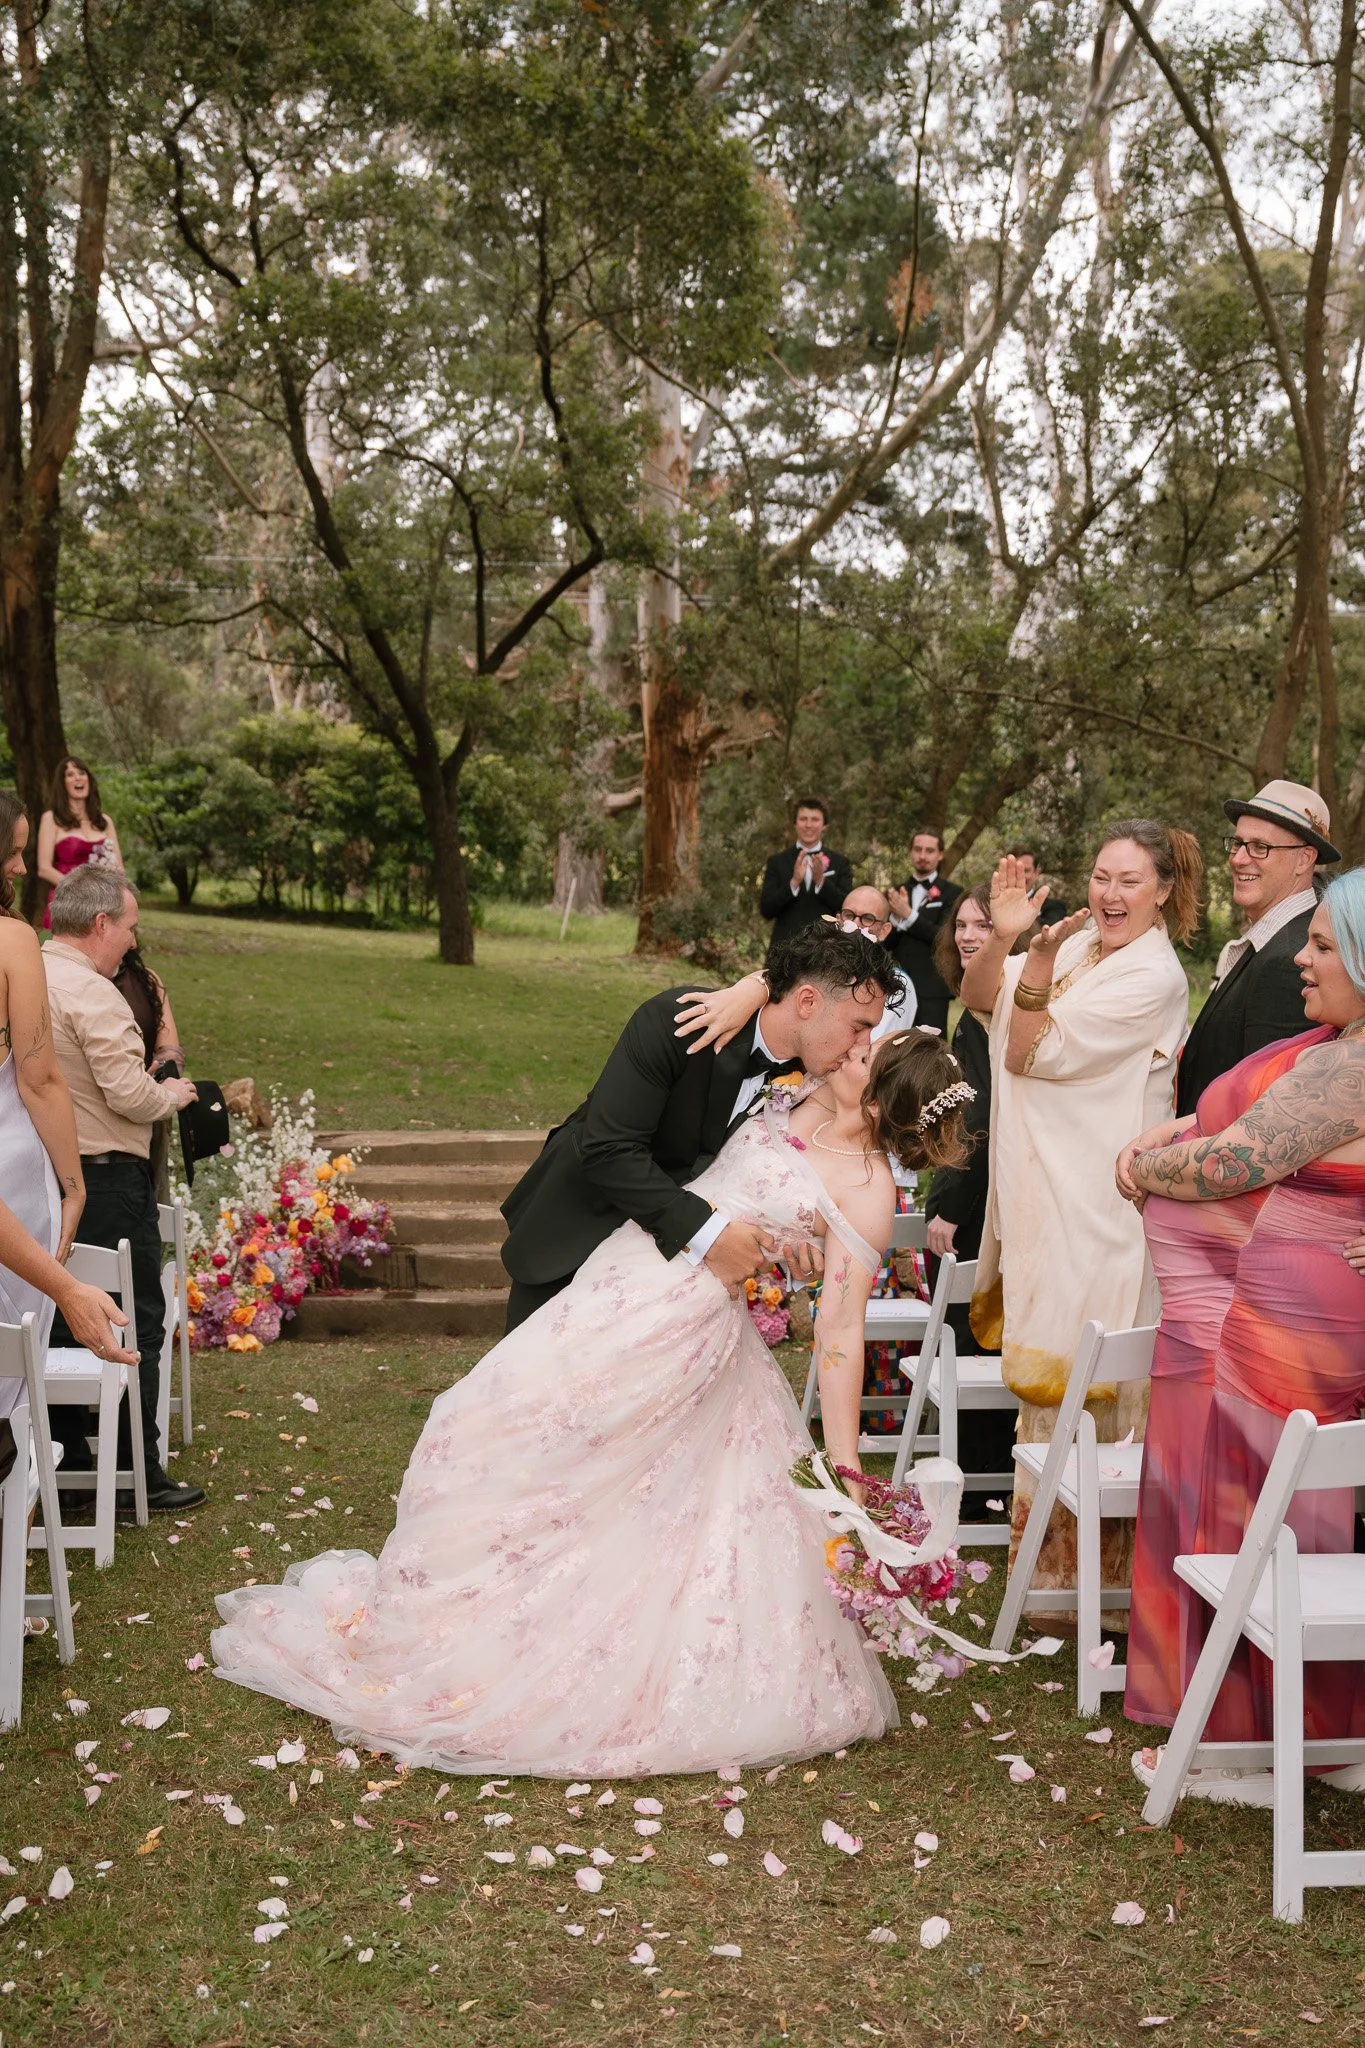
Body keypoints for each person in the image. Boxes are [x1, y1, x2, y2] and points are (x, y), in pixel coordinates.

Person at [211, 1030, 972, 1777]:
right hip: (628, 1265)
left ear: (876, 1105)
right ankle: (471, 1617)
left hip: (677, 1322)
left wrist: (843, 1475)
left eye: (867, 1053)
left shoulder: (866, 1192)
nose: (851, 1043)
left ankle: (546, 1649)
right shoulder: (797, 1092)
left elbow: (840, 1330)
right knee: (493, 1429)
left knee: (568, 1461)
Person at [1119, 871, 1365, 1794]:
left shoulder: (1348, 1067)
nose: (1301, 957)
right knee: (1301, 1511)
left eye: (1324, 947)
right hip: (1308, 1313)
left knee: (1260, 1513)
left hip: (1294, 1323)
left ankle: (1250, 1746)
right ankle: (1327, 1736)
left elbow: (1234, 1162)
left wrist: (1148, 1164)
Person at [960, 824, 1200, 1597]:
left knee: (1094, 1387)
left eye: (1129, 881)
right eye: (1100, 876)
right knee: (1053, 1390)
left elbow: (1026, 1050)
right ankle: (1046, 1585)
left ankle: (1102, 1592)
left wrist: (1031, 957)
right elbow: (980, 1004)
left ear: (1163, 890)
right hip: (1045, 1197)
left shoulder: (1151, 977)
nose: (1108, 894)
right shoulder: (1079, 949)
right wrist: (1002, 941)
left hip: (1101, 1208)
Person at [498, 921, 901, 1332]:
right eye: (858, 1026)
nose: (863, 1045)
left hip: (664, 1280)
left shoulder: (814, 1080)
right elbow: (608, 1148)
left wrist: (792, 1241)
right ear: (807, 1003)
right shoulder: (677, 1021)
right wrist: (710, 1234)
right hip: (577, 1233)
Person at [41, 867, 203, 1513]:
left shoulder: (32, 972)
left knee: (55, 1314)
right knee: (134, 1315)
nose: (133, 942)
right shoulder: (94, 993)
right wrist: (170, 1094)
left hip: (46, 1175)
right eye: (130, 928)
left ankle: (68, 1455)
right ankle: (139, 1470)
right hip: (106, 1178)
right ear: (101, 923)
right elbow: (127, 1093)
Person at [1175, 779, 1334, 1118]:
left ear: (1305, 859)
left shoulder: (1291, 959)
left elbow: (1262, 1109)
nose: (1239, 859)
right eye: (1238, 843)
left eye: (1260, 847)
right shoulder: (1274, 938)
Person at [114, 942, 187, 1204]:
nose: (132, 940)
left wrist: (158, 1079)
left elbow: (171, 1052)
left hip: (148, 1107)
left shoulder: (147, 980)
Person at [886, 827, 962, 1035]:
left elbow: (944, 936)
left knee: (930, 1049)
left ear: (940, 855)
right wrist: (895, 919)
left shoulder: (953, 893)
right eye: (918, 849)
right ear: (911, 852)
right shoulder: (896, 891)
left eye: (929, 851)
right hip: (896, 985)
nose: (922, 856)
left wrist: (908, 915)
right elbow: (886, 942)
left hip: (933, 988)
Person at [36, 757, 122, 930]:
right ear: (62, 784)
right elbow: (44, 868)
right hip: (67, 903)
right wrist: (82, 891)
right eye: (70, 774)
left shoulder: (105, 822)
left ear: (89, 780)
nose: (78, 778)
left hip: (103, 905)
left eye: (82, 773)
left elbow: (119, 868)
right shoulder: (51, 819)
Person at [758, 798, 853, 955]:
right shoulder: (777, 861)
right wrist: (794, 883)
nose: (808, 825)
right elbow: (767, 909)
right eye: (803, 819)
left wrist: (821, 881)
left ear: (824, 826)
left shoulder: (840, 863)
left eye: (815, 819)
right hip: (784, 948)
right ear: (795, 823)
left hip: (826, 949)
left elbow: (846, 908)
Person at [1005, 843, 1067, 926]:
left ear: (1036, 872)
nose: (1020, 876)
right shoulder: (991, 904)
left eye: (1026, 870)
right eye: (1015, 871)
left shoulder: (1054, 908)